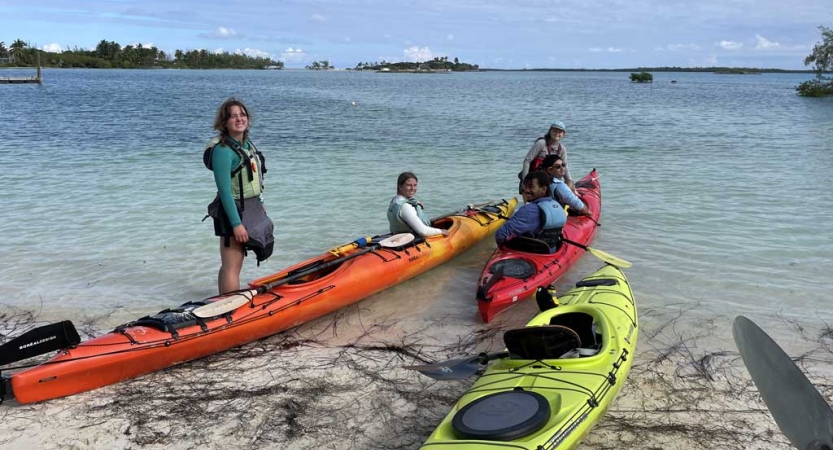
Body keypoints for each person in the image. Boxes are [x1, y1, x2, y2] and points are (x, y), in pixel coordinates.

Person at [206, 98, 274, 294]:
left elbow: (254, 180)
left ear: (248, 119)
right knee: (232, 265)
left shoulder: (246, 145)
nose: (239, 119)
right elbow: (225, 191)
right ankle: (229, 310)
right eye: (233, 116)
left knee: (233, 265)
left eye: (242, 115)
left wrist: (260, 204)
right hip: (232, 211)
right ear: (224, 122)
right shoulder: (223, 151)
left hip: (249, 207)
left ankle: (222, 301)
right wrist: (236, 224)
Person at [496, 171, 566, 253]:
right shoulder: (556, 205)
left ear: (544, 189)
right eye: (525, 186)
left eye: (531, 187)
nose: (526, 190)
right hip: (550, 251)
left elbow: (500, 234)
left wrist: (503, 250)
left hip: (530, 253)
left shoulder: (529, 210)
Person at [387, 172, 450, 237]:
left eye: (415, 185)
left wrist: (416, 204)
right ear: (400, 186)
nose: (412, 188)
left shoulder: (395, 200)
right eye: (408, 185)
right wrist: (441, 231)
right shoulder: (405, 207)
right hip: (409, 239)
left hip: (398, 235)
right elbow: (423, 231)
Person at [520, 121, 574, 193]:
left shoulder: (562, 149)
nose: (557, 133)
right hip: (533, 178)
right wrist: (525, 180)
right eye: (554, 130)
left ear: (563, 134)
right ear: (550, 131)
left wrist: (570, 182)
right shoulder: (541, 143)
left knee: (569, 183)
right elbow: (527, 160)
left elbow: (565, 167)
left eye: (560, 132)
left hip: (549, 180)